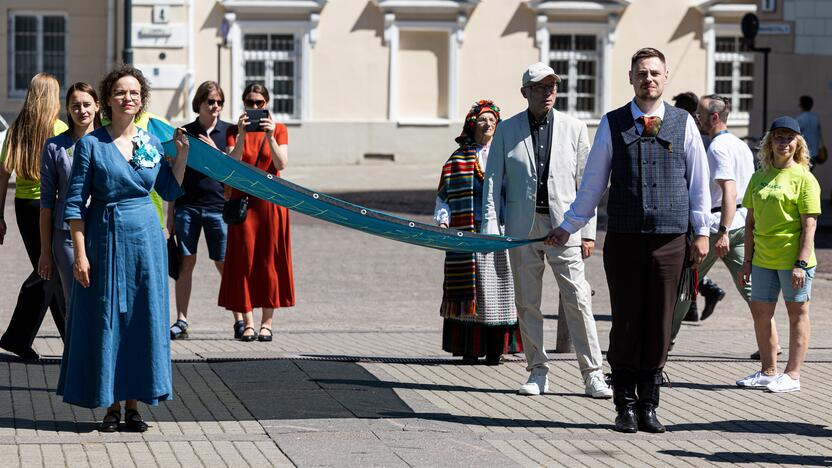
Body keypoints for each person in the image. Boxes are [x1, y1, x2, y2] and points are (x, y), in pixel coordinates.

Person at [549, 48, 711, 433]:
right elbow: (592, 185)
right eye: (642, 73)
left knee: (658, 324)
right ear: (631, 78)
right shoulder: (613, 122)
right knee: (626, 321)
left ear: (666, 76)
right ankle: (623, 404)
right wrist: (569, 225)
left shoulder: (683, 123)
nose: (648, 79)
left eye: (655, 73)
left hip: (670, 239)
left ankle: (649, 404)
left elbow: (699, 183)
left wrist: (702, 231)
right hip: (623, 238)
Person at [56, 65, 188, 432]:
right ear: (108, 101)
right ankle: (110, 405)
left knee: (141, 319)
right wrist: (80, 254)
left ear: (141, 100)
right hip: (105, 238)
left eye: (134, 93)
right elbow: (73, 206)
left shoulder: (148, 142)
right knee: (107, 318)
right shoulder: (91, 144)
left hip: (146, 240)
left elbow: (169, 189)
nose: (127, 98)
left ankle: (134, 406)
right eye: (120, 93)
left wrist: (181, 157)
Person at [481, 63, 611, 398]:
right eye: (540, 87)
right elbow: (493, 181)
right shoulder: (507, 130)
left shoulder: (575, 128)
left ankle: (593, 373)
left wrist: (586, 232)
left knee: (578, 298)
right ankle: (537, 370)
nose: (548, 93)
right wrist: (492, 228)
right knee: (527, 302)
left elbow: (589, 184)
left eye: (552, 86)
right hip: (522, 228)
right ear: (525, 91)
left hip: (564, 227)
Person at [668, 95, 765, 345]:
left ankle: (664, 341)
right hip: (742, 224)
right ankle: (771, 345)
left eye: (699, 114)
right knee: (753, 289)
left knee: (685, 285)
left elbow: (729, 191)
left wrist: (722, 230)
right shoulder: (741, 145)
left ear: (714, 117)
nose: (695, 118)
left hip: (717, 226)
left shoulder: (717, 147)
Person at [736, 116, 820, 393]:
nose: (783, 143)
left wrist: (800, 263)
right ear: (769, 143)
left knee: (797, 314)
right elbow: (750, 223)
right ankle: (768, 371)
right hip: (762, 259)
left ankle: (792, 375)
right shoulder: (759, 176)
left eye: (789, 138)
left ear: (797, 144)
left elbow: (809, 224)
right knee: (761, 314)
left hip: (793, 260)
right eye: (778, 138)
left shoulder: (804, 178)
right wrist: (747, 261)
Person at [434, 100, 522, 365]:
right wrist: (443, 222)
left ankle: (496, 349)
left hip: (500, 233)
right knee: (474, 292)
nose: (488, 125)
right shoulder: (457, 160)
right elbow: (444, 196)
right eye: (483, 120)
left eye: (493, 121)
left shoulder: (508, 155)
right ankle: (470, 349)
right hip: (468, 235)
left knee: (499, 291)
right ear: (472, 125)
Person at [218, 83, 294, 342]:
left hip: (271, 204)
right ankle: (248, 323)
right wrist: (240, 135)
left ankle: (267, 324)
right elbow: (232, 163)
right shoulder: (232, 130)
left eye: (259, 103)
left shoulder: (279, 129)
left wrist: (271, 137)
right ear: (243, 104)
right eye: (250, 103)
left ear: (267, 104)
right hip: (243, 203)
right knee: (243, 263)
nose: (254, 108)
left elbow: (281, 163)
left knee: (268, 263)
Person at [0, 73, 68, 360]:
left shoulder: (17, 128)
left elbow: (3, 174)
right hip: (49, 206)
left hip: (23, 207)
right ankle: (17, 337)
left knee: (50, 272)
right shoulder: (58, 127)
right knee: (49, 269)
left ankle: (70, 338)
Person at [168, 81, 232, 340]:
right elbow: (175, 175)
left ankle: (240, 318)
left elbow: (232, 174)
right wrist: (169, 214)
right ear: (199, 104)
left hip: (218, 207)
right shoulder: (185, 132)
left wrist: (216, 152)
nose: (215, 106)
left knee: (224, 263)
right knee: (186, 263)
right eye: (210, 102)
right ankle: (182, 319)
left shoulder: (229, 132)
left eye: (219, 102)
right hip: (188, 207)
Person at [37, 82, 102, 307]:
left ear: (97, 106)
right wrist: (45, 251)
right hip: (66, 236)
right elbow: (46, 201)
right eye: (75, 106)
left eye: (86, 104)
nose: (82, 110)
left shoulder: (110, 142)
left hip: (103, 229)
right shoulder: (55, 147)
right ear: (67, 109)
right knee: (75, 302)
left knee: (103, 300)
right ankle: (75, 343)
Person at [672, 91, 725, 323]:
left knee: (688, 261)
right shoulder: (700, 133)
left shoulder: (695, 135)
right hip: (695, 209)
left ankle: (702, 295)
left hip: (693, 209)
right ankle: (694, 305)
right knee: (689, 261)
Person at [796, 95, 825, 167]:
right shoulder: (815, 118)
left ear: (801, 105)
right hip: (814, 152)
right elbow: (819, 135)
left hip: (803, 152)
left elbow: (796, 135)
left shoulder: (799, 119)